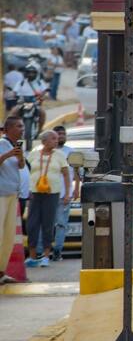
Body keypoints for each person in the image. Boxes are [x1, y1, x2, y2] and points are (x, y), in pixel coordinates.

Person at [24, 130, 70, 268]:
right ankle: (32, 256)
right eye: (53, 138)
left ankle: (45, 256)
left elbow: (67, 175)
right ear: (44, 141)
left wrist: (67, 193)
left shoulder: (60, 155)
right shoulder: (33, 154)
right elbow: (25, 172)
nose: (56, 141)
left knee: (48, 224)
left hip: (52, 193)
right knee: (32, 224)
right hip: (35, 193)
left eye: (57, 139)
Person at [0, 117, 26, 283]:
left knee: (8, 236)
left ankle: (1, 271)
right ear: (9, 128)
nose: (22, 128)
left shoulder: (16, 145)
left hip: (12, 193)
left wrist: (20, 157)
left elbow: (21, 166)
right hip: (1, 194)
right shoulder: (2, 144)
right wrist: (9, 154)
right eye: (19, 126)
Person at [50, 126, 79, 261]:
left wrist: (76, 189)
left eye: (63, 134)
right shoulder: (45, 152)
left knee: (61, 224)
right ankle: (42, 252)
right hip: (48, 193)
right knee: (48, 224)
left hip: (64, 195)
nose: (61, 136)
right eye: (58, 134)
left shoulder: (71, 153)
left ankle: (57, 251)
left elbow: (77, 174)